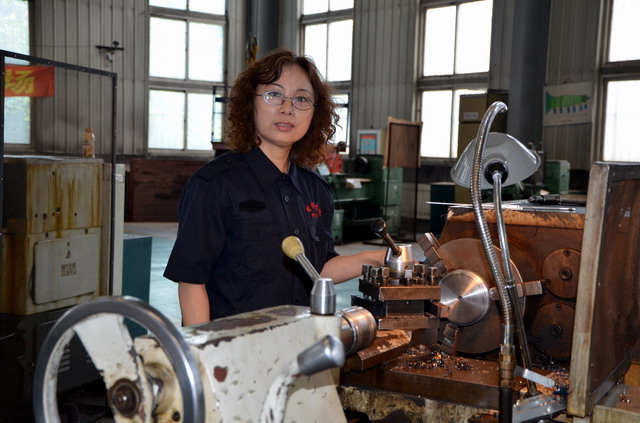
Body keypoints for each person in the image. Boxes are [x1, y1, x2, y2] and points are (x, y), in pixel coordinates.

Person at [164, 48, 386, 326]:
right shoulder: (214, 184)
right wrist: (204, 349)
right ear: (250, 104)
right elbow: (192, 282)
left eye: (301, 99)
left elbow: (317, 270)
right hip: (235, 343)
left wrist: (374, 258)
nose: (287, 108)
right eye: (274, 94)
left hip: (301, 341)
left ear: (315, 113)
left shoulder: (315, 188)